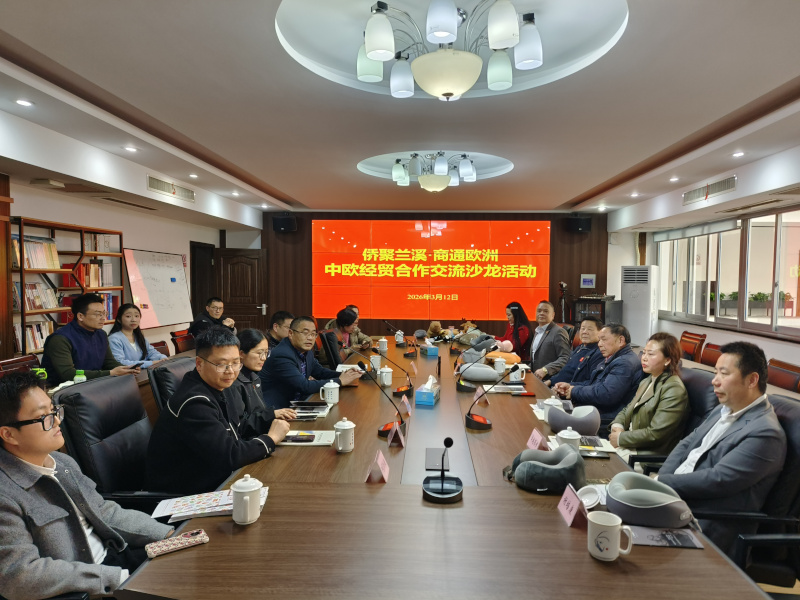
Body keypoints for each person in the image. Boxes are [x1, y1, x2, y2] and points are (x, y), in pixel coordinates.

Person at [0, 371, 172, 600]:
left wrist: (169, 535)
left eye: (54, 411)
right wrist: (117, 578)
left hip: (117, 558)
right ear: (9, 434)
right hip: (90, 586)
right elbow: (20, 575)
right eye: (44, 417)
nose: (57, 421)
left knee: (196, 564)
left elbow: (104, 512)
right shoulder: (5, 494)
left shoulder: (62, 462)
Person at [658, 341, 787, 557]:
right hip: (676, 502)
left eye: (724, 374)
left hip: (706, 525)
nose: (714, 380)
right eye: (716, 372)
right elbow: (686, 444)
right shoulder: (723, 409)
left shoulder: (765, 432)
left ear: (752, 380)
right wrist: (661, 481)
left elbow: (718, 480)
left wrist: (661, 483)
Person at [146, 327, 290, 495]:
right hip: (186, 494)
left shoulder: (221, 386)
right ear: (199, 364)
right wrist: (271, 439)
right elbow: (230, 456)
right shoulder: (194, 403)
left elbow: (237, 428)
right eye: (221, 364)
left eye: (236, 363)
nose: (231, 371)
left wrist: (270, 420)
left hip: (216, 478)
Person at [609, 333, 689, 455]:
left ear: (667, 360)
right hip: (629, 445)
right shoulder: (647, 380)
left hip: (645, 454)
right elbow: (628, 409)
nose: (644, 358)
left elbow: (656, 433)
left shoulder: (673, 389)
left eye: (650, 354)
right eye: (644, 353)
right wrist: (617, 426)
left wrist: (621, 438)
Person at [260, 316, 361, 410]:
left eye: (313, 334)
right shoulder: (282, 355)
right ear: (291, 333)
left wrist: (346, 375)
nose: (310, 338)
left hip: (298, 403)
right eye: (305, 333)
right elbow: (304, 386)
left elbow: (320, 372)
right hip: (280, 410)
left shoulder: (305, 350)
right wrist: (340, 381)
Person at [41, 293, 140, 386]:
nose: (103, 318)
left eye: (104, 313)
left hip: (92, 385)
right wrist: (111, 373)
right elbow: (68, 374)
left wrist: (127, 369)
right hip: (61, 390)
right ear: (80, 316)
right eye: (97, 314)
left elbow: (109, 362)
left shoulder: (101, 334)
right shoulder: (60, 339)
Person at [552, 323, 643, 422]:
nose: (599, 344)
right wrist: (570, 386)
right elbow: (593, 383)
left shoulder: (624, 363)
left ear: (621, 340)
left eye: (604, 339)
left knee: (555, 419)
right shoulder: (613, 357)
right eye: (599, 340)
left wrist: (574, 391)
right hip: (598, 410)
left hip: (608, 418)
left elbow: (606, 395)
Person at [236, 328, 296, 429]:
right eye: (259, 353)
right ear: (241, 354)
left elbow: (260, 412)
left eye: (266, 352)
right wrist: (272, 414)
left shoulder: (255, 378)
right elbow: (241, 426)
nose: (263, 358)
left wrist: (274, 415)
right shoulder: (234, 382)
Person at [547, 317, 604, 387]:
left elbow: (592, 382)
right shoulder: (579, 347)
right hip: (556, 386)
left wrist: (567, 387)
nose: (585, 332)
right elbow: (566, 372)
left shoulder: (599, 353)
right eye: (582, 328)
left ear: (600, 332)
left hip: (569, 390)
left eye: (590, 329)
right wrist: (550, 381)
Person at [108, 303, 168, 369]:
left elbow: (151, 352)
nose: (133, 320)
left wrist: (161, 357)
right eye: (128, 316)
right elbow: (120, 362)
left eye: (136, 316)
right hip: (127, 374)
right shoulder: (114, 339)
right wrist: (150, 363)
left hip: (142, 372)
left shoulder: (138, 336)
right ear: (119, 319)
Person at [528, 301, 571, 379]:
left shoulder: (558, 332)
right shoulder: (538, 331)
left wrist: (546, 370)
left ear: (553, 315)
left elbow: (565, 357)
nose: (541, 313)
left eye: (546, 311)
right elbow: (536, 359)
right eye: (539, 311)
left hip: (550, 379)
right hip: (536, 378)